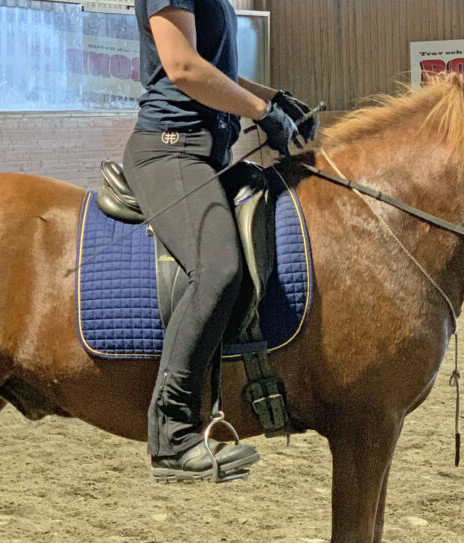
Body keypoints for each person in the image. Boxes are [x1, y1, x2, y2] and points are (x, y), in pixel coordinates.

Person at [122, 0, 319, 482]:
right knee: (217, 269)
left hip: (211, 155)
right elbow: (184, 67)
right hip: (170, 151)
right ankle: (172, 429)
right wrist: (260, 112)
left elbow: (216, 68)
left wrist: (276, 100)